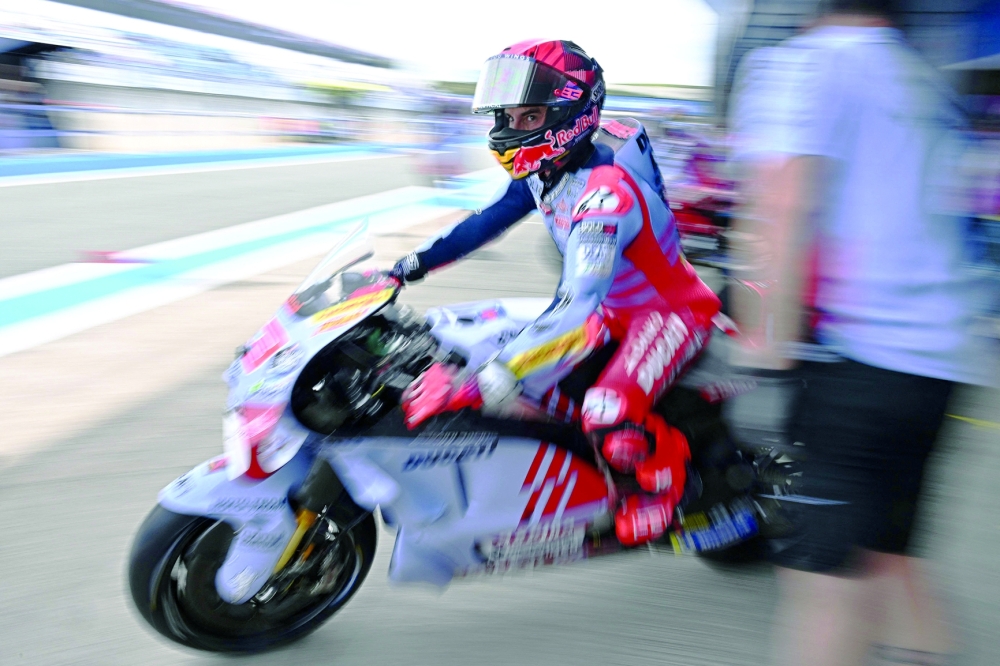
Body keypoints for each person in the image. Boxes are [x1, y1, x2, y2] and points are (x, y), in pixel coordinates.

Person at [728, 1, 999, 664]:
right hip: (940, 363)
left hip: (859, 361)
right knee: (889, 564)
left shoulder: (804, 65)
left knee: (821, 585)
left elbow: (782, 208)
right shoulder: (919, 76)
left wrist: (762, 358)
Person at [389, 39, 721, 546]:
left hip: (669, 314)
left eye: (528, 118)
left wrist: (489, 375)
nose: (509, 130)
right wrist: (412, 264)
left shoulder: (607, 190)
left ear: (568, 113)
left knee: (604, 408)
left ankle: (668, 488)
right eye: (507, 116)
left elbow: (576, 302)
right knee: (511, 364)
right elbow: (485, 223)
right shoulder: (546, 173)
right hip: (611, 311)